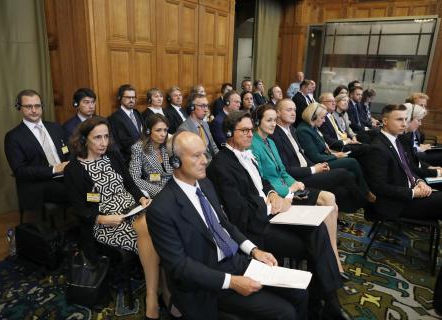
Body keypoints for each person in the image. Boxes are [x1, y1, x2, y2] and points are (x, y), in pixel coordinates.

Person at [147, 131, 308, 320]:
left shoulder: (205, 183)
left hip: (235, 261)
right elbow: (179, 266)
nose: (205, 160)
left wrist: (254, 250)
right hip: (207, 282)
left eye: (204, 154)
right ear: (175, 161)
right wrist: (232, 282)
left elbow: (225, 224)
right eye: (196, 156)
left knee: (299, 291)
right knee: (284, 312)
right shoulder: (161, 209)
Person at [207, 111, 351, 319]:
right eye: (245, 130)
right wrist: (273, 205)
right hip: (255, 228)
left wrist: (273, 194)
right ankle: (325, 302)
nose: (250, 134)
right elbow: (239, 212)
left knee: (318, 228)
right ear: (229, 133)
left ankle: (327, 300)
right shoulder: (221, 165)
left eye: (251, 129)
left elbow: (262, 182)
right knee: (312, 245)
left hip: (270, 214)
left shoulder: (248, 153)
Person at [63, 117, 162, 319]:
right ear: (84, 140)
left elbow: (130, 185)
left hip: (132, 209)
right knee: (154, 235)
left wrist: (142, 198)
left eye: (106, 136)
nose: (103, 142)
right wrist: (100, 219)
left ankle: (160, 289)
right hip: (106, 221)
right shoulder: (73, 169)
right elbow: (78, 209)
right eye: (97, 137)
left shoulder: (113, 156)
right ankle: (158, 292)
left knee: (163, 227)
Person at [249, 105, 345, 273]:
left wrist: (297, 184)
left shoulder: (270, 141)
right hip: (279, 196)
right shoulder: (253, 145)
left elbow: (283, 171)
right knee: (329, 202)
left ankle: (332, 255)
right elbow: (262, 179)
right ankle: (334, 260)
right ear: (258, 122)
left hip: (289, 188)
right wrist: (289, 190)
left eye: (274, 120)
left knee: (331, 203)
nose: (273, 124)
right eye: (269, 120)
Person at [270, 99, 366, 212]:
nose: (293, 113)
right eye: (289, 110)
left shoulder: (291, 129)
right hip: (297, 178)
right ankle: (366, 205)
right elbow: (287, 169)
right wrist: (314, 169)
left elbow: (302, 155)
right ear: (278, 113)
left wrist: (318, 166)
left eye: (295, 110)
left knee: (342, 187)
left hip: (308, 169)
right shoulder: (275, 134)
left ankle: (350, 210)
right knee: (345, 174)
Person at [364, 104, 442, 221]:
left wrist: (419, 181)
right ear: (385, 121)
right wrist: (413, 192)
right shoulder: (378, 148)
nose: (404, 124)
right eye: (399, 119)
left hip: (412, 192)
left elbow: (409, 168)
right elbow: (379, 187)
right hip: (398, 204)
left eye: (405, 119)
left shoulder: (399, 139)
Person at [4, 89, 69, 212]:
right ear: (19, 108)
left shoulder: (55, 128)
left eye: (37, 106)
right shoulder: (13, 137)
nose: (34, 110)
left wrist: (70, 165)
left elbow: (68, 151)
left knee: (92, 184)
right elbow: (20, 171)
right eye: (28, 106)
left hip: (65, 175)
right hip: (40, 183)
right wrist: (54, 169)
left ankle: (94, 219)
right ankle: (90, 223)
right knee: (79, 192)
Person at [296, 103, 375, 202]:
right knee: (352, 162)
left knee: (352, 169)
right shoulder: (303, 131)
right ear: (313, 117)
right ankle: (365, 193)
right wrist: (336, 156)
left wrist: (335, 155)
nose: (324, 120)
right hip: (319, 163)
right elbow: (315, 157)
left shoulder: (312, 127)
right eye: (322, 117)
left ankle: (362, 195)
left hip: (326, 156)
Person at [129, 114, 173, 198]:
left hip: (175, 186)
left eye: (165, 130)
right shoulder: (138, 148)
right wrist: (159, 191)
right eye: (158, 130)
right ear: (148, 131)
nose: (163, 134)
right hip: (156, 189)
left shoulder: (169, 144)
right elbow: (135, 178)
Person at [403, 103, 442, 170]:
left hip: (416, 157)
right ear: (408, 118)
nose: (420, 124)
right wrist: (436, 172)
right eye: (419, 120)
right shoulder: (401, 135)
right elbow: (408, 161)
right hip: (415, 158)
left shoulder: (407, 133)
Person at [319, 92, 368, 157]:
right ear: (322, 103)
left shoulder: (330, 116)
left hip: (343, 141)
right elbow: (328, 140)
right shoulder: (321, 118)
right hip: (337, 148)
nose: (334, 103)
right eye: (331, 101)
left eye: (334, 101)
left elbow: (340, 131)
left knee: (367, 144)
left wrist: (350, 140)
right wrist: (346, 141)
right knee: (367, 147)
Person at [177, 93, 218, 164]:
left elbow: (213, 146)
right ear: (192, 108)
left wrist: (222, 159)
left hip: (212, 163)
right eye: (202, 106)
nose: (206, 110)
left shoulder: (205, 124)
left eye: (207, 106)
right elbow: (191, 157)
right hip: (200, 165)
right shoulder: (184, 130)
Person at [108, 84, 143, 165]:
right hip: (128, 161)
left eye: (133, 97)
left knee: (155, 177)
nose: (131, 100)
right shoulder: (113, 118)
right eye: (128, 97)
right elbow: (115, 144)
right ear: (120, 98)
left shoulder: (137, 113)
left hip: (143, 158)